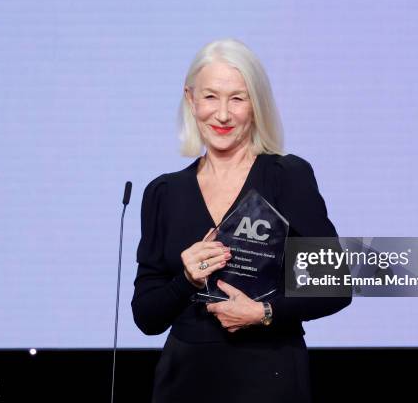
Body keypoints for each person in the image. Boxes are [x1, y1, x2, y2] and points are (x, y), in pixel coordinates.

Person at [131, 38, 351, 403]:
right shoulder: (163, 192)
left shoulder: (287, 176)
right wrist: (186, 279)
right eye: (210, 97)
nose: (222, 114)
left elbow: (335, 286)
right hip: (184, 381)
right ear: (191, 100)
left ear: (256, 104)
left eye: (237, 98)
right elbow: (147, 317)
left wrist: (264, 312)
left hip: (270, 375)